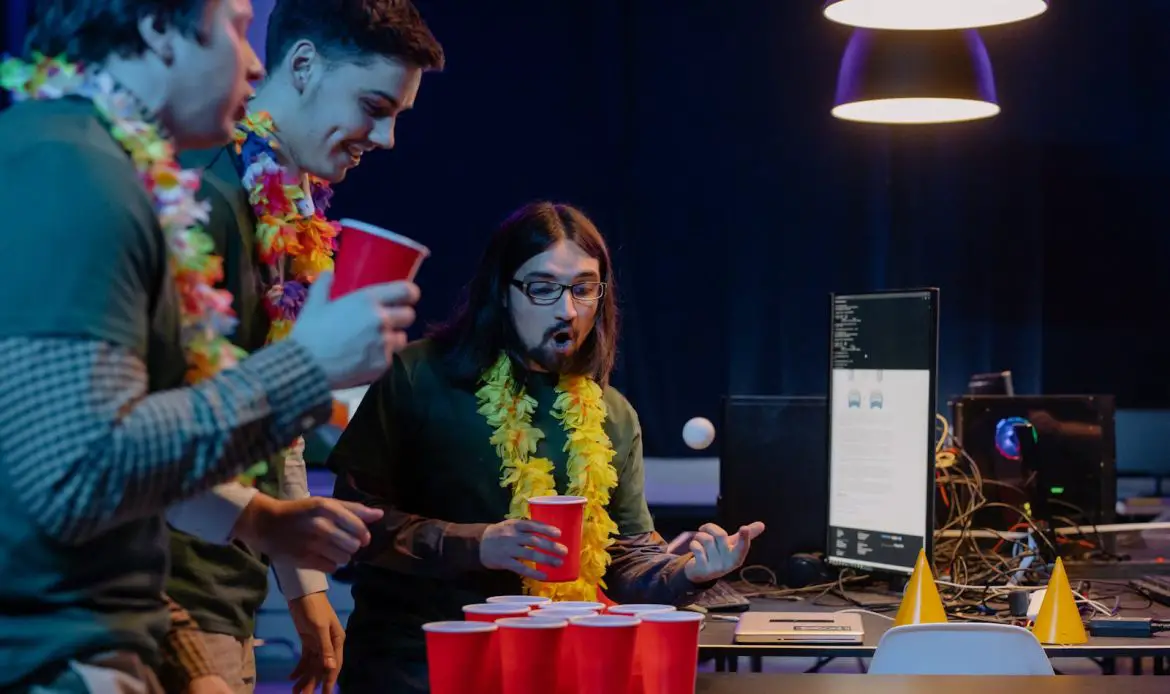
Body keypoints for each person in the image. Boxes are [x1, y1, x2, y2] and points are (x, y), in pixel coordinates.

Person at [0, 0, 418, 690]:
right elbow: (76, 475)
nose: (255, 61)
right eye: (234, 22)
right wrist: (307, 368)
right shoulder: (70, 168)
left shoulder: (88, 162)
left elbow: (95, 462)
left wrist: (260, 523)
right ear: (159, 29)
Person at [328, 201, 766, 692]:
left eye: (583, 289)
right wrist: (479, 544)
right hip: (413, 671)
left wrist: (692, 573)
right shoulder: (417, 376)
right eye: (542, 288)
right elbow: (353, 523)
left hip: (552, 673)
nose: (567, 310)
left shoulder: (611, 413)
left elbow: (625, 560)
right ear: (501, 290)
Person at [159, 1, 445, 691]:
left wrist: (305, 589)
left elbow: (271, 425)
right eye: (375, 106)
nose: (385, 139)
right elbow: (157, 424)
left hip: (228, 587)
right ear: (304, 65)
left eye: (398, 116)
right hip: (169, 595)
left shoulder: (289, 206)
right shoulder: (204, 196)